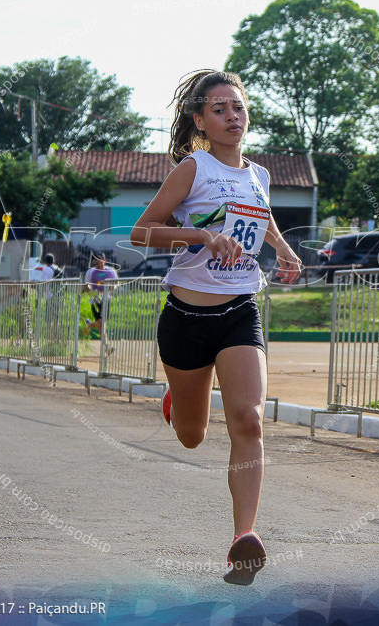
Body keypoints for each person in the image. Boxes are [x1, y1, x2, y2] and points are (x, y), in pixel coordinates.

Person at [130, 70, 301, 585]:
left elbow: (260, 219)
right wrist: (199, 235)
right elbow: (141, 233)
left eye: (239, 107)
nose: (233, 116)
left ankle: (242, 539)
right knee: (191, 435)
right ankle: (179, 399)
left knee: (249, 419)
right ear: (201, 120)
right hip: (186, 317)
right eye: (220, 109)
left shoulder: (259, 175)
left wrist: (283, 248)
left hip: (239, 311)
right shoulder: (193, 167)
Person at [83, 252, 118, 337]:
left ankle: (89, 324)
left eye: (99, 259)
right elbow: (86, 286)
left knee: (103, 324)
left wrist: (112, 287)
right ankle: (105, 346)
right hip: (96, 300)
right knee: (101, 322)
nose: (97, 261)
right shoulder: (90, 272)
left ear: (104, 260)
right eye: (95, 260)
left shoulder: (111, 271)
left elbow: (116, 283)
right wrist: (91, 291)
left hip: (107, 299)